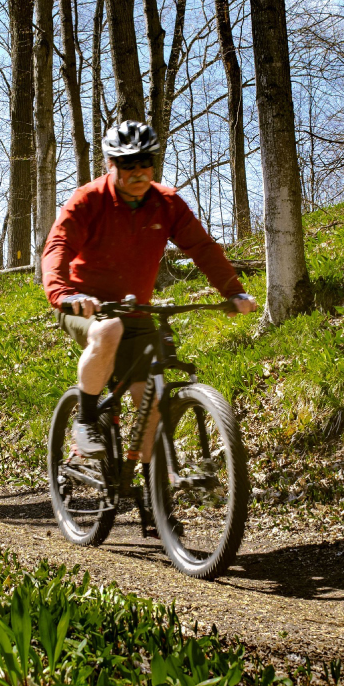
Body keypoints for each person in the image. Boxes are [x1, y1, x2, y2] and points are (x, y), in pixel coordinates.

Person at [41, 120, 259, 474]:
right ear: (111, 165)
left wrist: (233, 292)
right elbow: (58, 247)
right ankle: (85, 421)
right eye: (128, 164)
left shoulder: (166, 203)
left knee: (152, 407)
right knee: (108, 330)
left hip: (136, 311)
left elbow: (202, 248)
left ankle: (148, 493)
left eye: (145, 162)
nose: (138, 171)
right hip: (83, 304)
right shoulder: (88, 200)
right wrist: (64, 293)